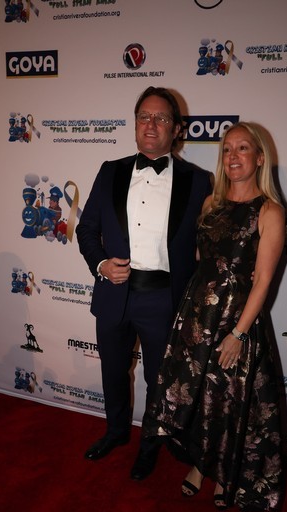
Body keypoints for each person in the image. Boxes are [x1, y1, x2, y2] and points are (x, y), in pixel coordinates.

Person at [143, 121, 287, 511]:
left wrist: (238, 335)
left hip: (237, 321)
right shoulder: (211, 204)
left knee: (228, 399)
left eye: (243, 148)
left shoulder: (269, 211)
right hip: (197, 315)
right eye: (227, 149)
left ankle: (225, 475)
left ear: (260, 158)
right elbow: (200, 258)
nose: (233, 156)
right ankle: (199, 466)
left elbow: (264, 281)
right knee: (199, 398)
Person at [76, 86, 212, 480]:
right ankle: (116, 431)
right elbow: (87, 229)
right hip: (114, 292)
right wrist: (101, 264)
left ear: (176, 129)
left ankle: (150, 445)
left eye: (161, 118)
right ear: (135, 124)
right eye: (144, 117)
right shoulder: (110, 170)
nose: (151, 124)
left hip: (165, 299)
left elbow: (210, 240)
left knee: (158, 378)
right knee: (113, 371)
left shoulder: (198, 180)